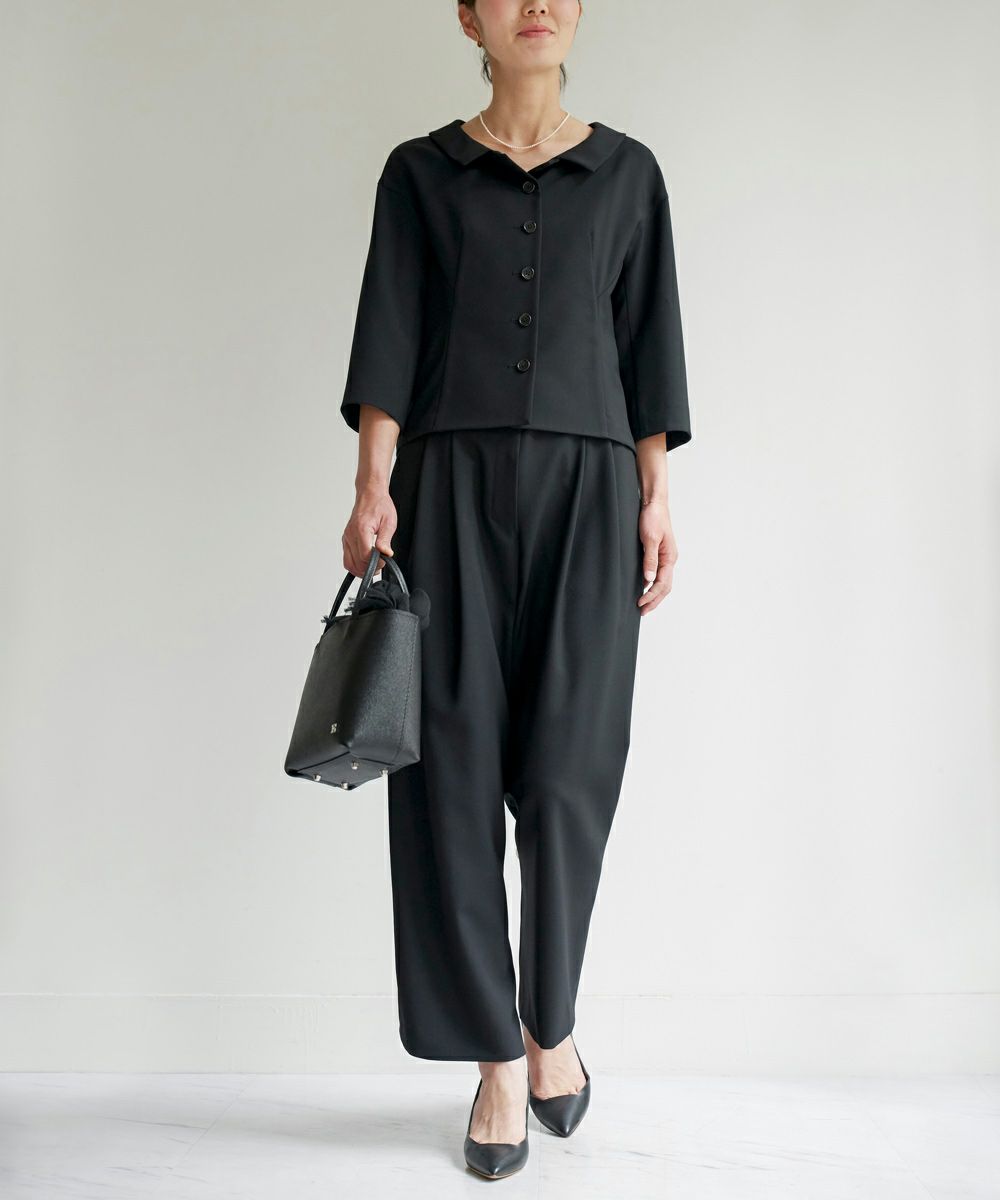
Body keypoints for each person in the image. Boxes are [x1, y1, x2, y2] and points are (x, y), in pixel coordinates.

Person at [339, 0, 692, 1181]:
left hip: (593, 493)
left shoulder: (628, 175)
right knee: (447, 771)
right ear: (468, 18)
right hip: (445, 489)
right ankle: (496, 1057)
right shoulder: (420, 173)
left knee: (569, 774)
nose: (536, 4)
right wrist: (372, 486)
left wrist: (655, 497)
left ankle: (553, 1025)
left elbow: (650, 347)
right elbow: (390, 331)